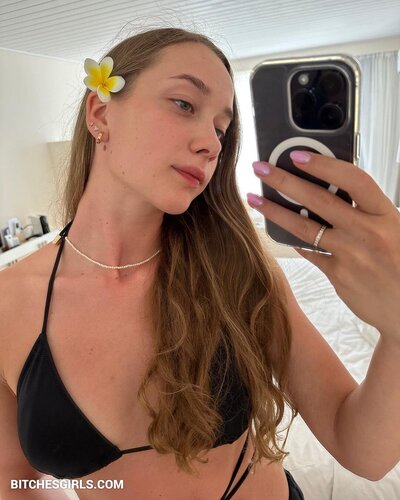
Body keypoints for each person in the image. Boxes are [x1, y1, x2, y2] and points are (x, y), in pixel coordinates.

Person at [0, 27, 399, 500]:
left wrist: (397, 330)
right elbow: (14, 478)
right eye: (184, 104)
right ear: (101, 112)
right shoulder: (8, 302)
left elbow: (363, 451)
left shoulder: (239, 274)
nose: (211, 144)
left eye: (221, 129)